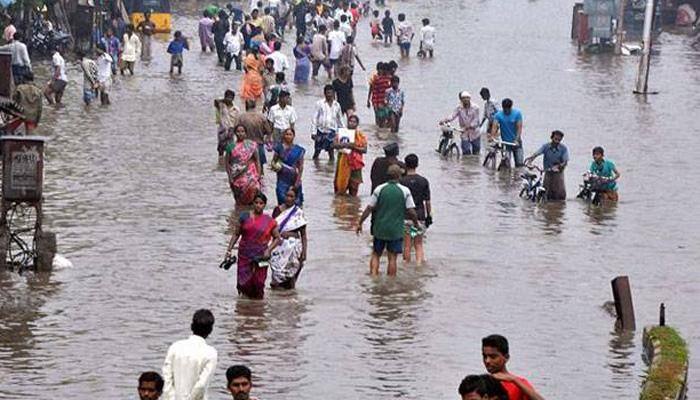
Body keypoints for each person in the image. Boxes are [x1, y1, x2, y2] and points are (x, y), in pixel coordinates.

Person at [357, 164, 419, 276]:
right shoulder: (405, 191)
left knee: (376, 254)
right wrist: (416, 224)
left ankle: (374, 277)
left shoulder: (379, 189)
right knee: (392, 258)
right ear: (399, 176)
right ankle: (391, 283)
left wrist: (360, 222)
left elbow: (369, 208)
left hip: (380, 228)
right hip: (395, 230)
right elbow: (411, 211)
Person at [225, 192, 282, 299]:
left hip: (262, 256)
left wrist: (269, 250)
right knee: (244, 283)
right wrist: (229, 250)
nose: (258, 205)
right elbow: (236, 234)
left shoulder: (269, 221)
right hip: (244, 254)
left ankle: (258, 308)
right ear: (253, 203)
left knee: (259, 283)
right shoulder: (244, 217)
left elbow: (277, 238)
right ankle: (244, 307)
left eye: (261, 203)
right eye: (256, 203)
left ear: (264, 205)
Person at [162, 310, 218, 400]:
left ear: (191, 326)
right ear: (210, 330)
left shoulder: (175, 347)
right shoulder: (211, 353)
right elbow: (201, 385)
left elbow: (167, 378)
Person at [482, 334, 546, 400]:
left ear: (506, 357)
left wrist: (513, 380)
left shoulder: (518, 384)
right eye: (485, 356)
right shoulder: (480, 383)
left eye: (493, 357)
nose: (487, 361)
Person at [269, 187, 308, 289]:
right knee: (276, 276)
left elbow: (303, 235)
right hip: (279, 246)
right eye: (287, 195)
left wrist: (304, 252)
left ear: (295, 198)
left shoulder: (298, 213)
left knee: (291, 276)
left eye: (291, 196)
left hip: (293, 248)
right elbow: (272, 229)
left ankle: (291, 299)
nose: (288, 198)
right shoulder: (277, 210)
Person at [400, 154, 431, 265]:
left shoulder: (402, 182)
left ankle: (406, 266)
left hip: (406, 216)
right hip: (420, 216)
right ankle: (418, 265)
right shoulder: (424, 181)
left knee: (407, 244)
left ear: (406, 165)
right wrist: (429, 216)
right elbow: (427, 201)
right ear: (417, 165)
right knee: (418, 243)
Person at [524, 130, 569, 200]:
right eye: (555, 139)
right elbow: (536, 154)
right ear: (552, 138)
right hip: (547, 172)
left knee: (560, 195)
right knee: (546, 192)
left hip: (558, 173)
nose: (557, 141)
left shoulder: (563, 149)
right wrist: (530, 162)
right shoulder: (546, 146)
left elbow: (565, 161)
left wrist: (558, 166)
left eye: (559, 140)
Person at [225, 124, 263, 206]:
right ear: (235, 133)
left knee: (254, 190)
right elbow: (227, 163)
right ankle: (239, 214)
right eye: (238, 131)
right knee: (239, 200)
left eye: (242, 131)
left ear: (246, 133)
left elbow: (257, 160)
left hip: (251, 175)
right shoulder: (230, 146)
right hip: (236, 176)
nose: (240, 133)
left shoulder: (252, 145)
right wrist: (230, 177)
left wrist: (259, 174)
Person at [332, 114, 367, 196]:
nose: (352, 123)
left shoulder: (361, 136)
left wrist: (353, 147)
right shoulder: (342, 133)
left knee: (354, 186)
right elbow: (334, 145)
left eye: (354, 122)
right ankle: (341, 205)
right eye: (350, 121)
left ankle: (352, 206)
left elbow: (364, 150)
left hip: (356, 164)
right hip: (342, 162)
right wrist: (344, 145)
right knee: (339, 186)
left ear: (357, 124)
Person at [311, 84, 345, 160]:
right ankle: (315, 167)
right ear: (324, 93)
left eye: (331, 93)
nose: (329, 95)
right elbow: (315, 118)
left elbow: (340, 120)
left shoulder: (337, 105)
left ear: (333, 93)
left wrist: (344, 132)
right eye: (327, 93)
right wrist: (313, 132)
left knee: (331, 152)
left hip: (331, 132)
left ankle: (330, 169)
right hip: (320, 131)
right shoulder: (319, 103)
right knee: (317, 151)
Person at [272, 127, 305, 205]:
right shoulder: (279, 147)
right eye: (287, 134)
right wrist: (276, 167)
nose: (288, 136)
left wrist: (297, 181)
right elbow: (274, 161)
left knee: (296, 202)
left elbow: (300, 167)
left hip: (294, 178)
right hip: (282, 178)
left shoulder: (299, 150)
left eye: (290, 134)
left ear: (294, 136)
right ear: (284, 135)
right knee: (281, 197)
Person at [490, 98, 524, 167]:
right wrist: (492, 137)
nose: (507, 111)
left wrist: (516, 139)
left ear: (511, 107)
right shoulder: (498, 115)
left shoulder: (517, 114)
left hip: (516, 142)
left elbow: (519, 128)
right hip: (505, 143)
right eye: (505, 109)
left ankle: (517, 176)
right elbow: (494, 127)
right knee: (506, 163)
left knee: (519, 164)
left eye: (508, 109)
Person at [239, 100, 272, 168]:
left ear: (246, 106)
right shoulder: (261, 117)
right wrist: (266, 139)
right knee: (260, 167)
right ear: (255, 106)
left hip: (245, 146)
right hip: (259, 145)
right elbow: (269, 131)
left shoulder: (241, 117)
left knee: (245, 168)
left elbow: (236, 131)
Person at [215, 90, 241, 162]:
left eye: (230, 98)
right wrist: (224, 100)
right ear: (225, 97)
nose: (229, 99)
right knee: (221, 149)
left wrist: (234, 131)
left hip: (231, 130)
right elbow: (216, 101)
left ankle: (228, 164)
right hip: (222, 131)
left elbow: (237, 121)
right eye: (227, 97)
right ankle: (220, 163)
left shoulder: (236, 109)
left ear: (233, 98)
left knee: (230, 150)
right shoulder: (221, 106)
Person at [367, 62, 392, 127]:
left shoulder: (390, 79)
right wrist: (369, 100)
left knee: (386, 117)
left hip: (385, 101)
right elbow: (372, 89)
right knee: (379, 117)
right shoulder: (376, 79)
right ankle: (379, 130)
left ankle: (381, 131)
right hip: (377, 100)